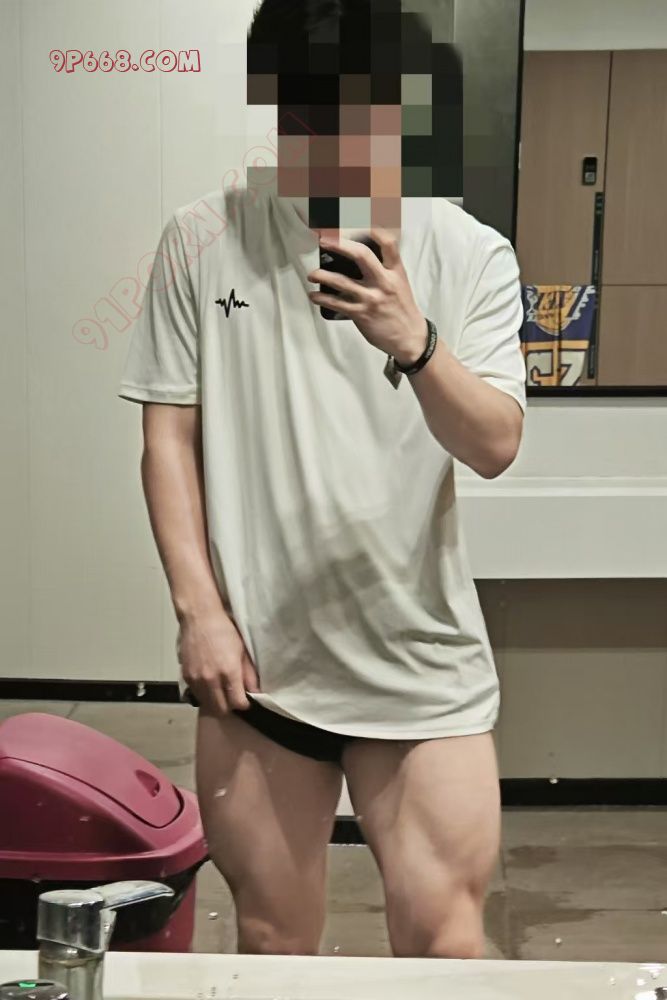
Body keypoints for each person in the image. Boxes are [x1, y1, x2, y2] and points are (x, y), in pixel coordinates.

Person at [117, 0, 527, 961]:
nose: (332, 147)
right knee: (271, 946)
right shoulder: (202, 237)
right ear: (274, 107)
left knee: (445, 949)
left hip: (420, 665)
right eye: (305, 119)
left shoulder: (468, 251)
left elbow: (494, 443)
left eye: (359, 118)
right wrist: (198, 612)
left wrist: (414, 343)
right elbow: (168, 437)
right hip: (262, 666)